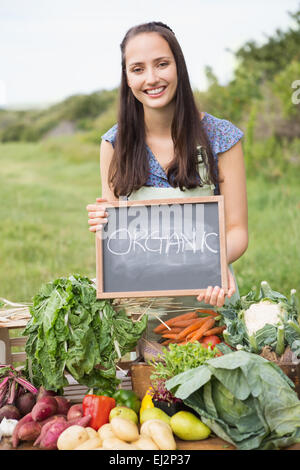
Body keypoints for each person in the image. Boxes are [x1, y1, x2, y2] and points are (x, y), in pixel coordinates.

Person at [86, 21, 248, 316]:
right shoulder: (114, 143)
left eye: (162, 64)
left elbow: (237, 230)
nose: (151, 78)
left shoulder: (222, 138)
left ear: (179, 66)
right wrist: (104, 224)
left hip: (207, 305)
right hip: (138, 312)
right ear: (126, 77)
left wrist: (213, 265)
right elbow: (116, 242)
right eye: (137, 69)